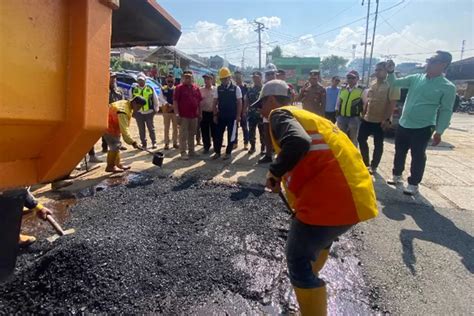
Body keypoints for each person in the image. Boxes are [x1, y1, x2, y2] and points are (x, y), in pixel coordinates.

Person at [253, 79, 378, 315]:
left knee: (297, 259)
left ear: (271, 100)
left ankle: (310, 299)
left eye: (261, 104)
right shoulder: (307, 117)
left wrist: (274, 171)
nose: (260, 110)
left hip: (331, 199)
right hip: (353, 195)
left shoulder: (280, 115)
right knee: (319, 242)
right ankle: (311, 282)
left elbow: (298, 142)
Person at [385, 51, 456, 195]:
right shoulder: (416, 78)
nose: (428, 63)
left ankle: (413, 183)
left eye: (432, 61)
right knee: (399, 152)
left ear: (443, 65)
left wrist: (439, 131)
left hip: (423, 127)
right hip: (404, 124)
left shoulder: (447, 87)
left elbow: (446, 111)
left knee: (417, 155)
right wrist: (391, 71)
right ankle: (397, 175)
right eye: (428, 60)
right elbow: (394, 82)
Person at [358, 62, 400, 174]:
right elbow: (369, 100)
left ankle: (374, 165)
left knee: (378, 144)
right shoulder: (373, 83)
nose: (377, 72)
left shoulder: (392, 84)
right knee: (361, 139)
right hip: (367, 118)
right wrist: (364, 112)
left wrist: (387, 119)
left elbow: (392, 103)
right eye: (376, 70)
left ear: (387, 71)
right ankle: (365, 163)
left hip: (380, 120)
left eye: (380, 70)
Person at [104, 97, 144, 172]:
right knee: (114, 146)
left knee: (117, 146)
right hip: (108, 125)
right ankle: (110, 167)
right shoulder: (123, 111)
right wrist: (133, 142)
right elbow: (124, 130)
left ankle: (118, 165)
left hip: (114, 124)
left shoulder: (127, 103)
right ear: (134, 103)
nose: (139, 109)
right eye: (138, 106)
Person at [211, 67, 243, 160]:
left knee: (231, 135)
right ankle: (217, 152)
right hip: (221, 116)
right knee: (218, 135)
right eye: (222, 79)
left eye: (225, 78)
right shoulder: (218, 88)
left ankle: (228, 153)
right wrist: (215, 115)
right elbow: (214, 102)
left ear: (229, 77)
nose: (223, 80)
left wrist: (238, 116)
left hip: (232, 117)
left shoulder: (236, 88)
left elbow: (240, 103)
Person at [173, 70, 202, 160]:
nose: (188, 79)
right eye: (186, 77)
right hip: (183, 116)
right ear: (183, 78)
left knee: (192, 134)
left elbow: (199, 102)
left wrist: (200, 113)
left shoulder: (196, 88)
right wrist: (177, 113)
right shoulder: (179, 88)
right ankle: (183, 152)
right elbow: (175, 101)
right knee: (183, 135)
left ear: (192, 78)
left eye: (189, 77)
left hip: (194, 116)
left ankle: (191, 151)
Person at [130, 73, 159, 149]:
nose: (141, 82)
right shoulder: (133, 89)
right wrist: (133, 112)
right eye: (139, 80)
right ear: (137, 80)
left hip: (149, 112)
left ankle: (154, 142)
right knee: (141, 129)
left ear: (145, 80)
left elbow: (155, 99)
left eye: (142, 80)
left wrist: (156, 109)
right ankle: (144, 144)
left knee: (151, 128)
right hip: (139, 113)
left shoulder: (150, 88)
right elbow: (130, 100)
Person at [335, 70, 364, 146]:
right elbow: (338, 102)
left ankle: (353, 156)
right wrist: (337, 114)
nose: (350, 79)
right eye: (348, 77)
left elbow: (365, 104)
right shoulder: (342, 89)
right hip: (342, 117)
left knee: (353, 139)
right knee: (341, 138)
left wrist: (362, 117)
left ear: (357, 78)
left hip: (354, 118)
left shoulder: (361, 90)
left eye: (353, 78)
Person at [259, 63, 278, 164]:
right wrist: (261, 111)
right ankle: (268, 155)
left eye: (272, 73)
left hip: (279, 115)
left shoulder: (281, 85)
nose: (270, 76)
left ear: (275, 74)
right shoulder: (264, 86)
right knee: (267, 135)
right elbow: (261, 100)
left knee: (279, 135)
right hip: (267, 114)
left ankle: (280, 156)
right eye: (268, 74)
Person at [246, 71, 265, 154]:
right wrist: (245, 110)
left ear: (261, 77)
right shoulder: (250, 89)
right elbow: (247, 100)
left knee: (263, 133)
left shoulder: (265, 89)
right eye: (254, 78)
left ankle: (263, 148)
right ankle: (252, 147)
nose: (255, 79)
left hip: (262, 115)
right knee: (251, 132)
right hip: (251, 114)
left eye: (257, 77)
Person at [199, 73, 217, 154]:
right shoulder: (201, 90)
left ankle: (216, 146)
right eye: (205, 79)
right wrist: (199, 113)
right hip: (204, 113)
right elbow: (198, 102)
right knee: (204, 131)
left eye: (208, 79)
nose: (206, 81)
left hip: (213, 113)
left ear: (212, 80)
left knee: (215, 131)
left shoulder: (216, 90)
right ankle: (206, 146)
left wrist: (216, 113)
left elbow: (218, 102)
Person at [161, 74, 179, 150]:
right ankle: (166, 143)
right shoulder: (163, 89)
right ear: (166, 81)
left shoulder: (177, 89)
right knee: (166, 128)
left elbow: (178, 99)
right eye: (168, 81)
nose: (170, 83)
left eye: (171, 81)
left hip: (174, 111)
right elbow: (161, 98)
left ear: (174, 81)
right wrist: (167, 104)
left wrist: (173, 106)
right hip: (166, 110)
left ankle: (175, 143)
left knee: (175, 128)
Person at [233, 71, 249, 150]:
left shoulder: (245, 88)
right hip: (234, 111)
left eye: (239, 77)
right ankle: (235, 143)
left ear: (242, 77)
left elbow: (247, 100)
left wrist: (244, 110)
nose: (238, 79)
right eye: (236, 77)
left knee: (244, 127)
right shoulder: (233, 88)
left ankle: (246, 143)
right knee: (234, 128)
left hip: (243, 111)